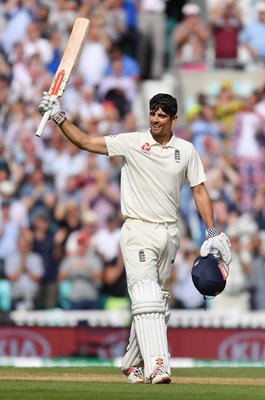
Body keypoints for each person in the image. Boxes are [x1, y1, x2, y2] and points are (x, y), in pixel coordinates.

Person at [38, 91, 232, 384]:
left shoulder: (186, 150)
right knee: (146, 296)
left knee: (159, 304)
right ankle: (158, 365)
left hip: (169, 232)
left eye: (162, 115)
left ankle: (131, 363)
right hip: (138, 229)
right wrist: (58, 116)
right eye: (152, 113)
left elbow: (199, 190)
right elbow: (86, 141)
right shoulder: (132, 142)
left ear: (174, 119)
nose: (155, 119)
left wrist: (212, 230)